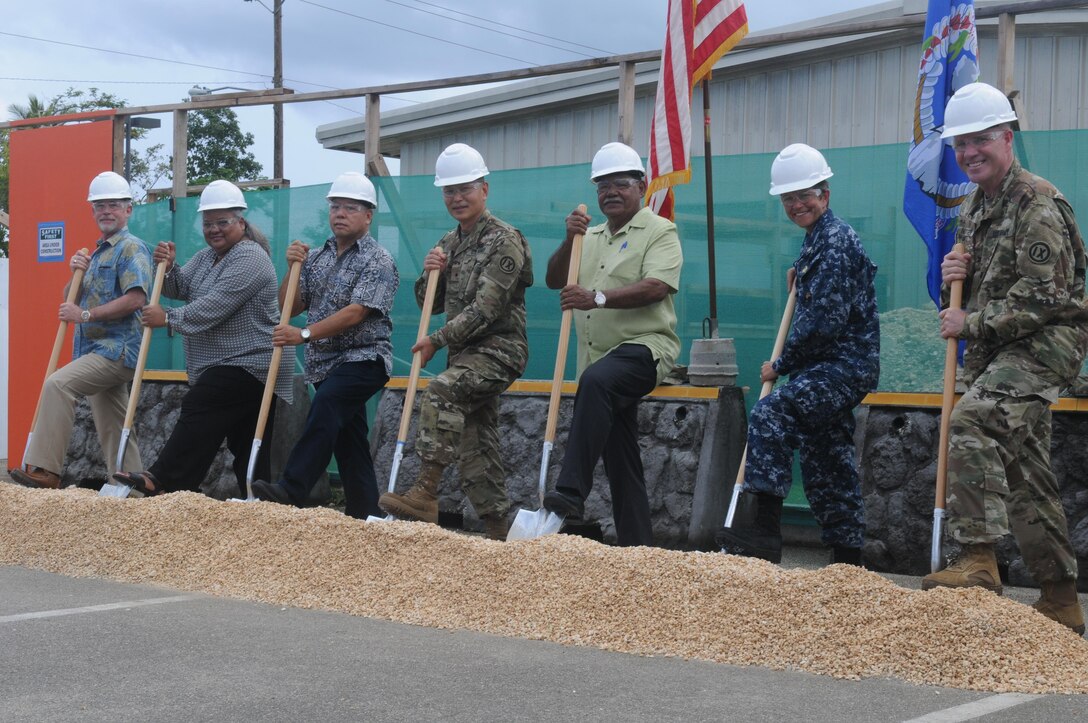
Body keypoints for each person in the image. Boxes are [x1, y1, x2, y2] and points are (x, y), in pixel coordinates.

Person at [920, 83, 1087, 636]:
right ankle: (1062, 599)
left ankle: (977, 557)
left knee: (972, 420)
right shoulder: (975, 206)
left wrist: (972, 322)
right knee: (1025, 472)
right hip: (1002, 347)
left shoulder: (1038, 205)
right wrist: (955, 284)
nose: (970, 153)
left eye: (981, 140)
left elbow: (1043, 299)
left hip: (1046, 344)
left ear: (1007, 138)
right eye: (961, 144)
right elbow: (985, 289)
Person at [716, 143, 879, 566]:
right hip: (834, 367)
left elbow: (823, 324)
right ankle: (848, 558)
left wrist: (781, 365)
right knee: (826, 453)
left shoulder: (835, 242)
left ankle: (762, 533)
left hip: (842, 367)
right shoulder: (817, 241)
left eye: (805, 194)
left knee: (772, 414)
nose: (796, 204)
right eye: (788, 198)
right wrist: (800, 277)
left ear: (825, 193)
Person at [377, 143, 533, 540]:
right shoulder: (448, 242)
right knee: (476, 438)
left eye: (465, 188)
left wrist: (436, 340)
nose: (457, 197)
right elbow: (426, 303)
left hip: (500, 351)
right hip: (466, 353)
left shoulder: (505, 240)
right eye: (449, 191)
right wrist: (430, 274)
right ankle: (498, 527)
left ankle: (425, 493)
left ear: (484, 189)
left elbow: (487, 310)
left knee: (443, 392)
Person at [109, 180, 293, 497]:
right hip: (227, 362)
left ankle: (166, 479)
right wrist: (165, 267)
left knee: (202, 402)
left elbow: (214, 307)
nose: (214, 230)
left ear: (241, 221)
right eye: (208, 223)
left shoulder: (250, 257)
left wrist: (167, 317)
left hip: (254, 361)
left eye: (223, 222)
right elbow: (180, 286)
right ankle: (260, 501)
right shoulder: (207, 258)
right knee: (247, 441)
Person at [541, 142, 683, 547]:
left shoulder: (660, 230)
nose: (611, 192)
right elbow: (555, 280)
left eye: (621, 184)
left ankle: (569, 492)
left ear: (641, 186)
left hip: (646, 348)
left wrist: (598, 297)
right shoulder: (590, 235)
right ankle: (639, 546)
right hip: (597, 360)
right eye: (603, 186)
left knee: (599, 382)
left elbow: (657, 286)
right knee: (621, 455)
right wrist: (570, 240)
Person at [251, 172, 399, 518]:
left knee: (328, 405)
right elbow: (290, 303)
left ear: (368, 215)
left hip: (366, 358)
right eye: (335, 207)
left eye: (350, 207)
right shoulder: (317, 257)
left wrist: (303, 335)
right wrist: (292, 268)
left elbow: (357, 312)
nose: (340, 214)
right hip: (325, 363)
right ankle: (365, 514)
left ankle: (292, 487)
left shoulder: (378, 259)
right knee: (350, 439)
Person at [12, 172, 153, 489]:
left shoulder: (131, 249)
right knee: (113, 422)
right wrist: (76, 272)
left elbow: (136, 298)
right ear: (92, 211)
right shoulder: (97, 252)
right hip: (94, 350)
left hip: (116, 350)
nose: (106, 210)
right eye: (99, 205)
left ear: (128, 209)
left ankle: (46, 470)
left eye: (113, 205)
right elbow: (69, 300)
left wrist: (85, 314)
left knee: (58, 385)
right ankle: (132, 487)